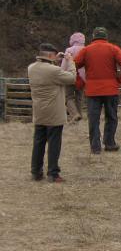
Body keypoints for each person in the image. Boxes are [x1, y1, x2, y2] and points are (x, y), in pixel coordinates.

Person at [74, 27, 121, 154]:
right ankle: (109, 143)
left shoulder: (86, 50)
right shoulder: (113, 48)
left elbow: (74, 65)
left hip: (92, 90)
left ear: (93, 36)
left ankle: (95, 147)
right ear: (106, 37)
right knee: (111, 117)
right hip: (111, 89)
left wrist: (79, 82)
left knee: (93, 119)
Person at [29, 43, 77, 182]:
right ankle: (53, 173)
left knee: (38, 142)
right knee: (54, 143)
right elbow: (71, 78)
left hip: (39, 111)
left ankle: (36, 172)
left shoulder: (31, 68)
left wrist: (58, 59)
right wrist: (70, 61)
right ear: (50, 55)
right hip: (54, 112)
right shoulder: (53, 71)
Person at [62, 32, 86, 122]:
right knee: (79, 97)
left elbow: (65, 63)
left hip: (70, 75)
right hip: (83, 78)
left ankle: (74, 114)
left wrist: (62, 74)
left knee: (69, 97)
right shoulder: (86, 49)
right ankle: (80, 115)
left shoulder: (69, 50)